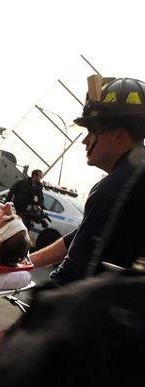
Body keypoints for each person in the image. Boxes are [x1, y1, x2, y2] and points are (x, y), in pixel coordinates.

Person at [30, 75, 145, 286]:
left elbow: (71, 276)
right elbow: (83, 236)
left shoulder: (115, 188)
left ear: (119, 137)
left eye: (93, 131)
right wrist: (27, 263)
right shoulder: (134, 176)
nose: (84, 140)